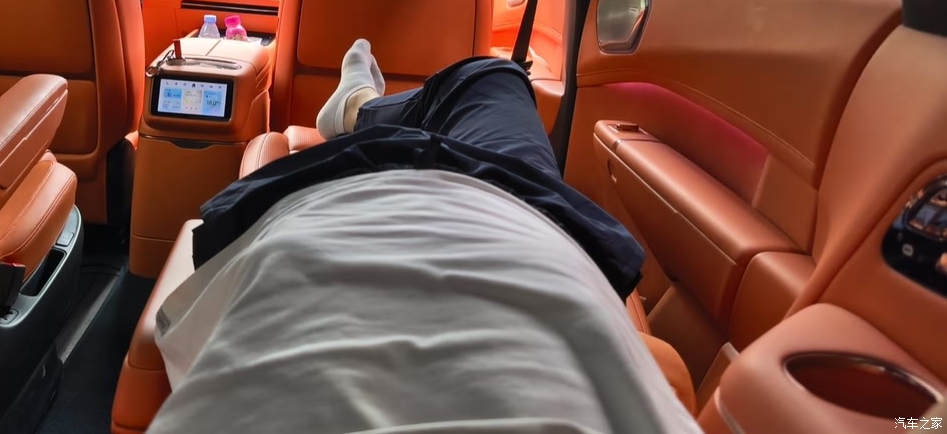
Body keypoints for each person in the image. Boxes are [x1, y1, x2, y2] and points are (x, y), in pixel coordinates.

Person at [148, 41, 701, 433]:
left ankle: (362, 110)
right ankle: (361, 111)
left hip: (340, 212)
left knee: (487, 82)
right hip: (503, 214)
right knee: (492, 76)